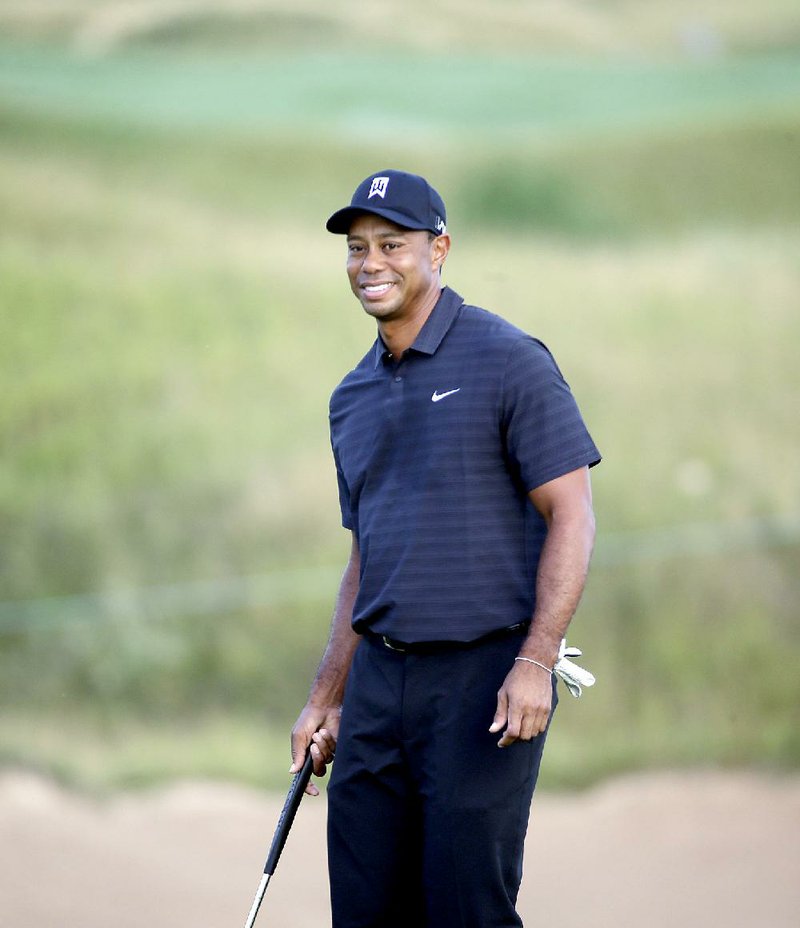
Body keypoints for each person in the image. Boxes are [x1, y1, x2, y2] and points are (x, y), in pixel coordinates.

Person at [290, 169, 600, 927]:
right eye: (357, 248)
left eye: (391, 244)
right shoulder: (351, 396)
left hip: (483, 679)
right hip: (378, 687)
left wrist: (535, 660)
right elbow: (366, 558)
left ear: (440, 250)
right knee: (363, 908)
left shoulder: (507, 359)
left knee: (465, 910)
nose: (371, 264)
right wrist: (326, 697)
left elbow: (573, 515)